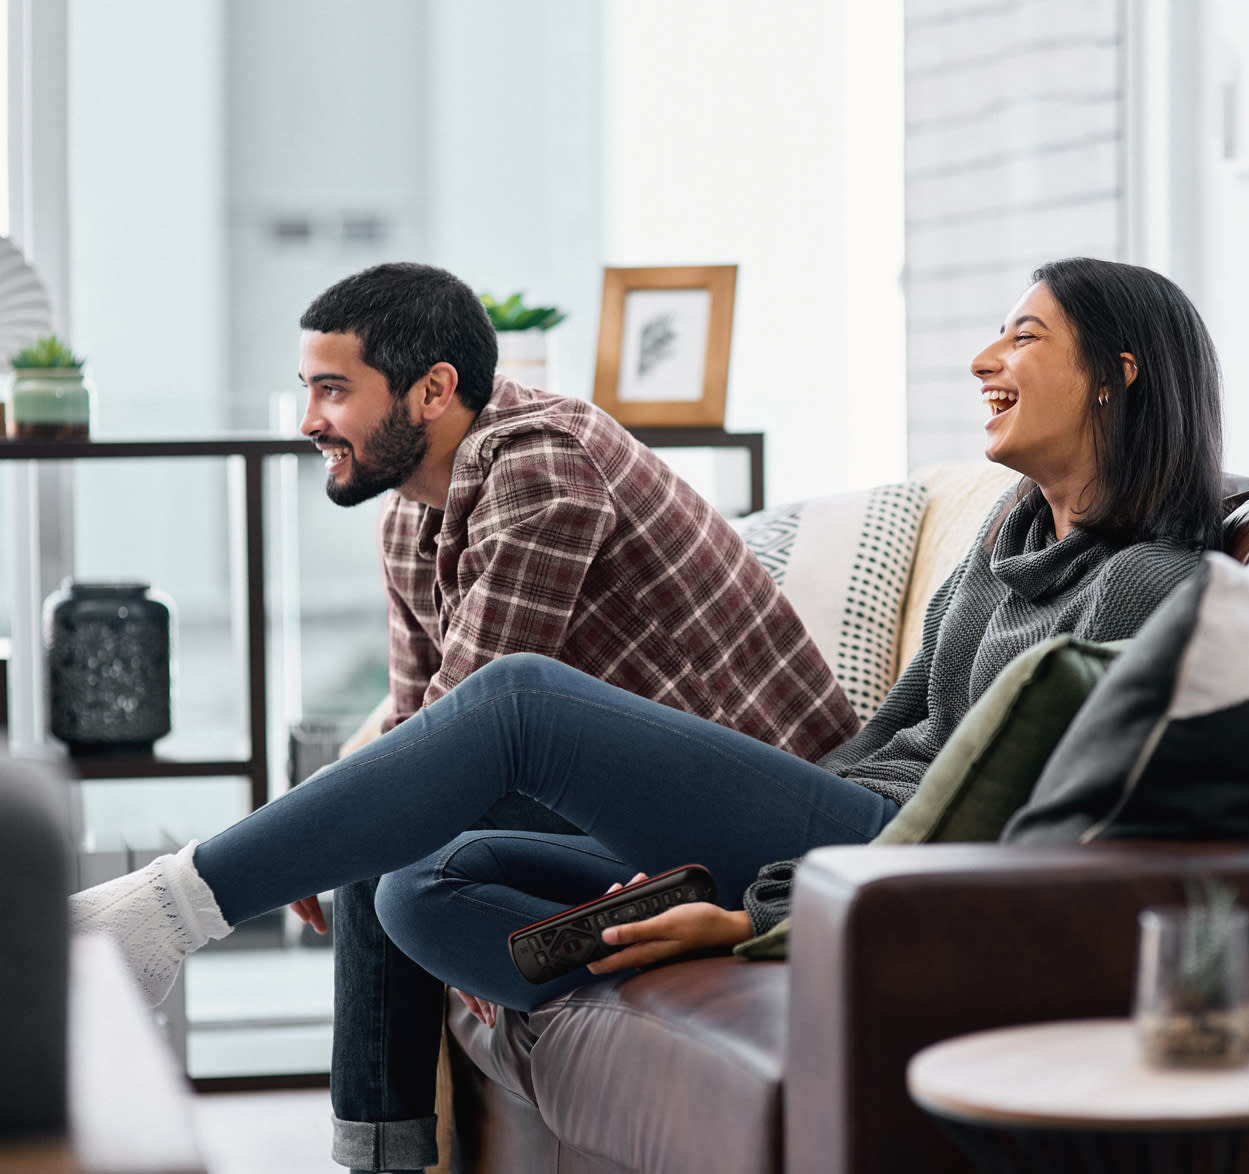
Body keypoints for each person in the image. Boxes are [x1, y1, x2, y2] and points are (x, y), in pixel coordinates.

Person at [72, 256, 1224, 1172]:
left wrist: (766, 916)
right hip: (828, 823)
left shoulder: (1149, 585)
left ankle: (170, 912)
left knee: (517, 702)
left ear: (1119, 375)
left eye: (1023, 336)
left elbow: (1039, 834)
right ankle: (369, 1144)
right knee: (417, 880)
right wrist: (719, 877)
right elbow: (889, 739)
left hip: (877, 859)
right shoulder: (1005, 542)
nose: (985, 358)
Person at [256, 261, 865, 1173]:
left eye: (335, 391)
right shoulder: (405, 523)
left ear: (433, 390)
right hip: (621, 823)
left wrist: (322, 832)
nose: (311, 422)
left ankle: (379, 1158)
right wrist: (330, 824)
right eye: (309, 391)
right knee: (386, 854)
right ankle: (381, 1157)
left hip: (751, 816)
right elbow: (420, 730)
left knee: (381, 826)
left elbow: (455, 747)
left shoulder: (544, 462)